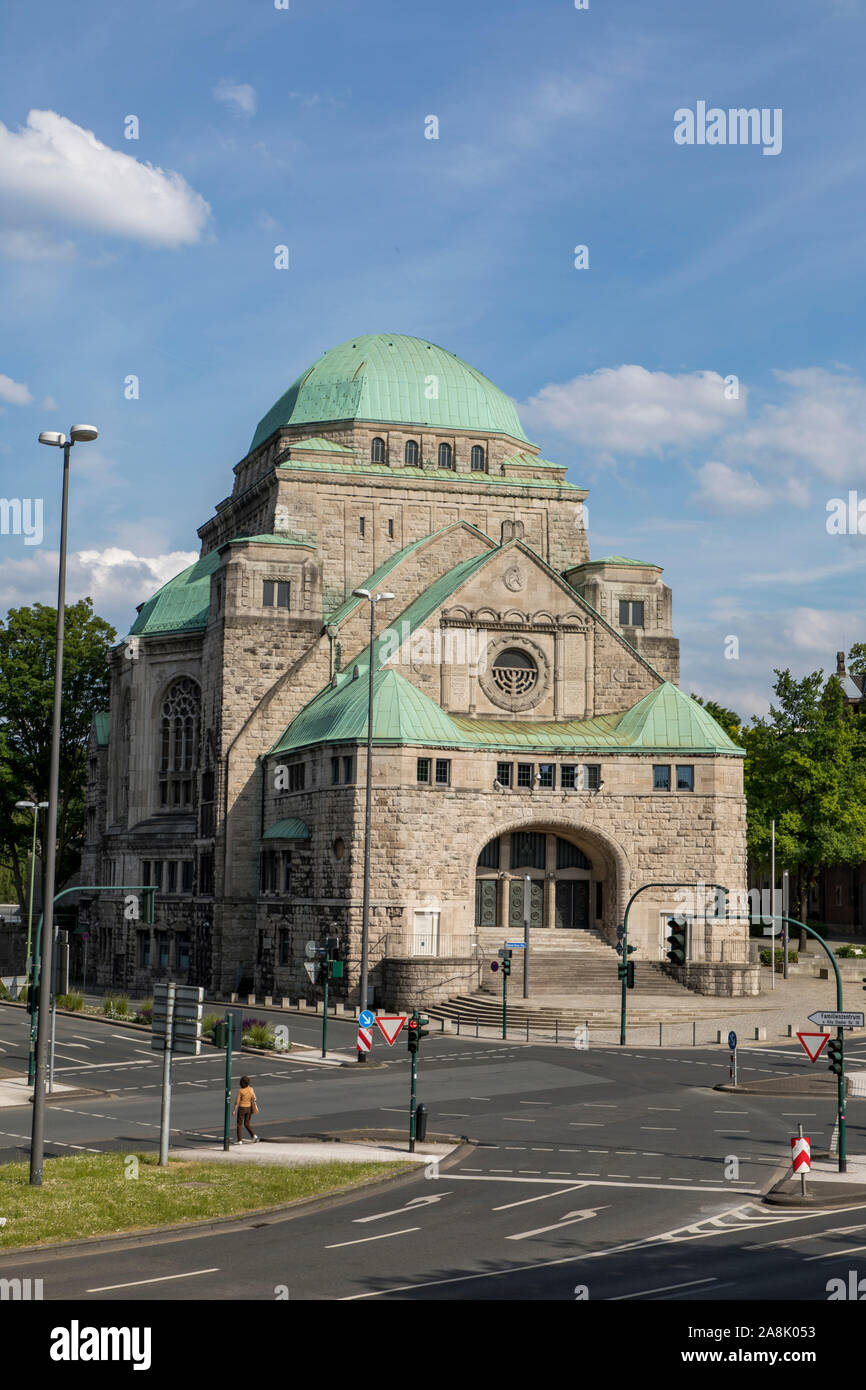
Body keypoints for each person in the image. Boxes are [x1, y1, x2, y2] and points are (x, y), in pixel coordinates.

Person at [232, 1075, 260, 1143]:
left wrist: (234, 1110)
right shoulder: (251, 1089)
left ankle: (239, 1140)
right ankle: (254, 1135)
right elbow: (255, 1098)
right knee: (247, 1124)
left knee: (239, 1124)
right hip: (249, 1108)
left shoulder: (241, 1091)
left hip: (242, 1108)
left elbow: (237, 1102)